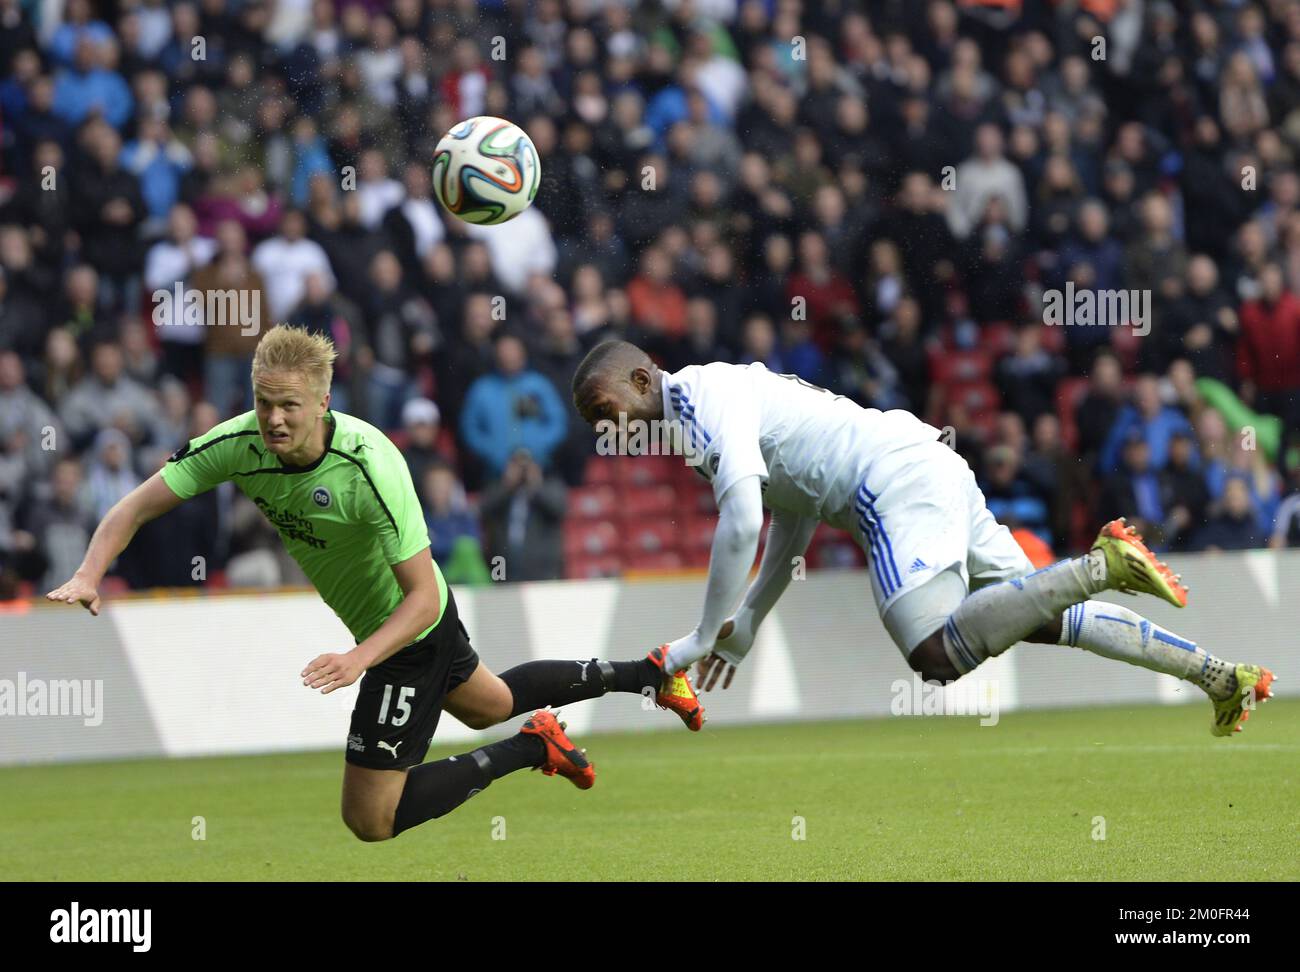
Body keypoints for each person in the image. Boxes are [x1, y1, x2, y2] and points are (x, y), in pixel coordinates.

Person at [47, 326, 705, 843]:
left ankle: (532, 746)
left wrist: (361, 657)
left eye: (290, 407)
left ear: (323, 402)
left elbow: (419, 595)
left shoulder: (370, 467)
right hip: (401, 626)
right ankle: (646, 674)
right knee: (488, 702)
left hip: (407, 632)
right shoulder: (238, 442)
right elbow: (134, 505)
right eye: (264, 403)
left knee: (369, 818)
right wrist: (87, 572)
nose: (274, 420)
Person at [571, 341, 1275, 737]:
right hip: (923, 462)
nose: (615, 428)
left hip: (889, 484)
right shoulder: (709, 408)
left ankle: (1098, 564)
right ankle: (1223, 678)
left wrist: (698, 637)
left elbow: (746, 520)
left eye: (610, 411)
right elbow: (791, 513)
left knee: (935, 653)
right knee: (1045, 619)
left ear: (641, 378)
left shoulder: (699, 399)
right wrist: (749, 616)